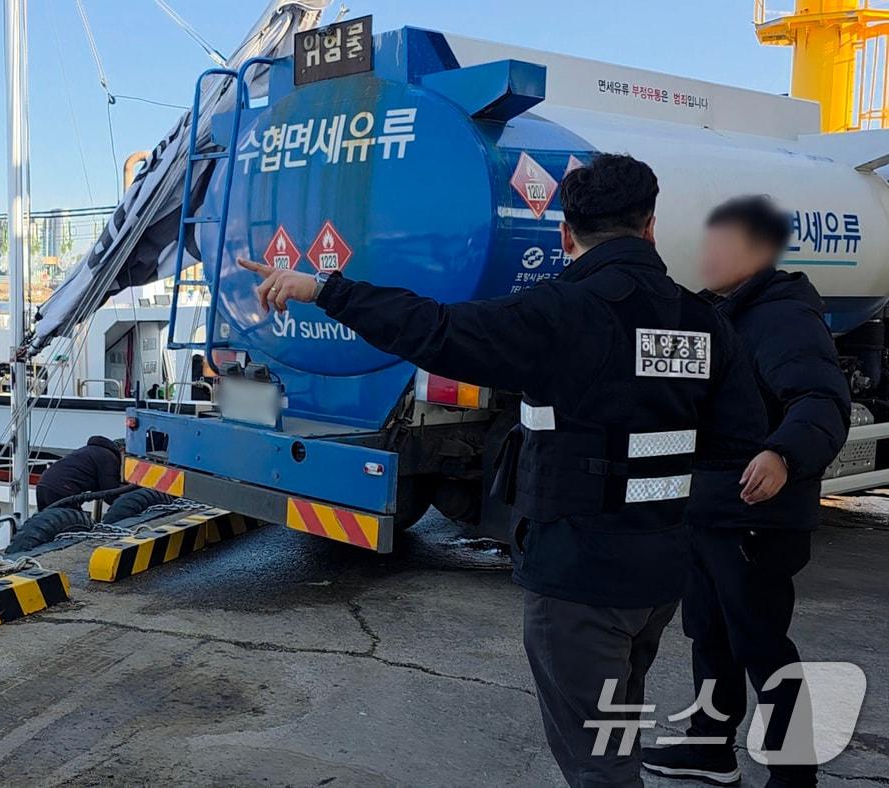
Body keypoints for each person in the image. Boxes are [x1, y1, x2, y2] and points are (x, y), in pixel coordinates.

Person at [239, 153, 766, 786]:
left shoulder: (561, 313)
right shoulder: (704, 322)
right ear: (651, 226)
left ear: (565, 234)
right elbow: (739, 442)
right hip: (658, 575)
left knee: (599, 764)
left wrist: (324, 289)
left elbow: (435, 330)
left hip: (578, 574)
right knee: (615, 717)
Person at [642, 196, 851, 788]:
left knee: (760, 643)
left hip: (758, 516)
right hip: (707, 507)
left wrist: (782, 454)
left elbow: (821, 400)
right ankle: (711, 748)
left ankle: (794, 772)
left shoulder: (783, 317)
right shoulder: (717, 312)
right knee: (708, 634)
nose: (706, 258)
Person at [35, 435, 123, 510]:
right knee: (72, 522)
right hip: (62, 489)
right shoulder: (109, 457)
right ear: (122, 450)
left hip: (43, 484)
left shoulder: (87, 450)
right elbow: (110, 493)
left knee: (43, 522)